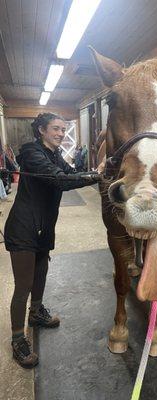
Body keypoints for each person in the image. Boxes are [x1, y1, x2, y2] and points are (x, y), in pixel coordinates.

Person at [4, 113, 101, 369]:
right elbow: (59, 180)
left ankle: (35, 314)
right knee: (23, 285)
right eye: (56, 129)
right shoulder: (31, 153)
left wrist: (101, 168)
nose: (60, 133)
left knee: (41, 273)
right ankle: (17, 339)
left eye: (63, 129)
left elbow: (73, 173)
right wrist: (97, 176)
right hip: (24, 227)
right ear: (41, 131)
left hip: (44, 227)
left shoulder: (55, 154)